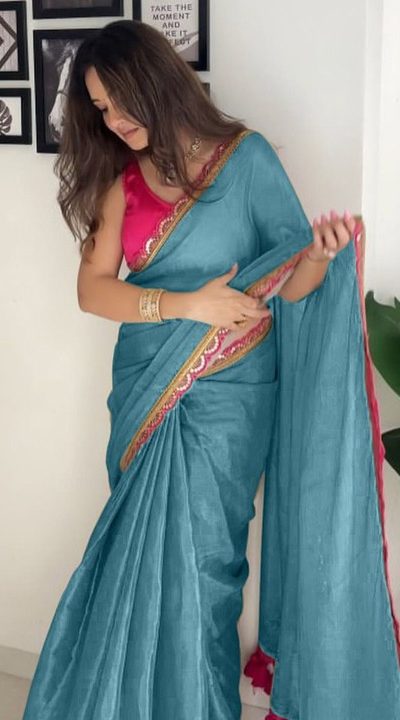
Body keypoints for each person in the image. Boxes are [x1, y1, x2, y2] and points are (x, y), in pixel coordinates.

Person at [22, 18, 400, 720]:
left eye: (121, 103)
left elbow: (292, 284)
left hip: (233, 398)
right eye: (101, 109)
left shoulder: (246, 161)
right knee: (135, 560)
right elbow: (92, 290)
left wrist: (318, 255)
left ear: (156, 84)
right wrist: (187, 304)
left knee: (205, 569)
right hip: (147, 392)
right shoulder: (121, 182)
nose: (114, 121)